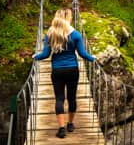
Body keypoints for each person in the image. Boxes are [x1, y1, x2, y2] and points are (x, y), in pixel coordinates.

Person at [33, 7, 96, 138]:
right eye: (71, 16)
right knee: (72, 97)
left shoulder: (50, 34)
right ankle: (70, 124)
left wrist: (35, 57)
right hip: (73, 69)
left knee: (59, 98)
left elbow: (45, 54)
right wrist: (92, 58)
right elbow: (82, 54)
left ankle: (61, 128)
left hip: (57, 70)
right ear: (67, 18)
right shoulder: (76, 34)